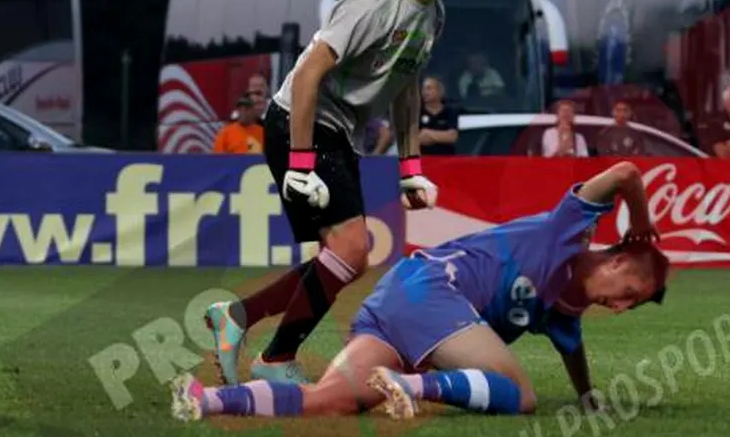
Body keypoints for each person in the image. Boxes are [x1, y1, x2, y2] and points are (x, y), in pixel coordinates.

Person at [171, 161, 668, 422]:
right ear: (619, 258)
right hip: (434, 292)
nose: (623, 306)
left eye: (633, 305)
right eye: (632, 291)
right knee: (520, 395)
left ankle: (208, 400)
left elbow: (572, 347)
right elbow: (625, 173)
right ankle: (409, 386)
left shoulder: (565, 310)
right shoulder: (569, 228)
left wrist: (587, 397)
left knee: (331, 402)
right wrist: (643, 227)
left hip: (400, 296)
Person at [204, 0, 465, 385]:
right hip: (299, 123)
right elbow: (306, 75)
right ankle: (275, 358)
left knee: (339, 257)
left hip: (337, 132)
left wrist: (410, 168)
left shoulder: (434, 13)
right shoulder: (370, 2)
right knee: (350, 249)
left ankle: (238, 319)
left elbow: (405, 86)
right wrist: (301, 163)